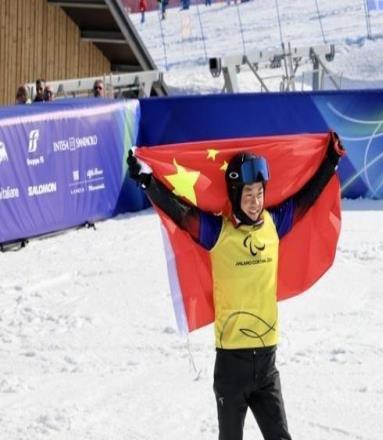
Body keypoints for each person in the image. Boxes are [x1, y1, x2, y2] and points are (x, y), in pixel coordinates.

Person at [127, 132, 344, 440]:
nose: (255, 202)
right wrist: (148, 182)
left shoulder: (274, 225)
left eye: (259, 193)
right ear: (234, 194)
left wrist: (330, 160)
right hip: (231, 365)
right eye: (248, 194)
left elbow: (306, 199)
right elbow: (183, 215)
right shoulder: (218, 233)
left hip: (267, 365)